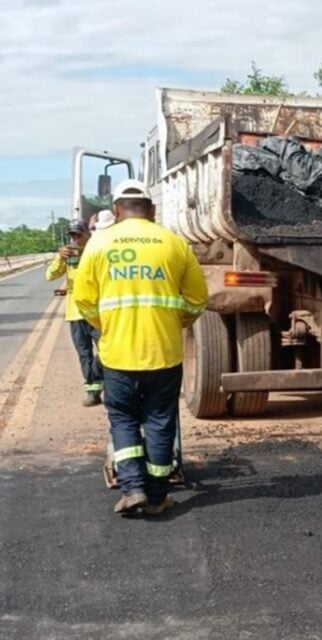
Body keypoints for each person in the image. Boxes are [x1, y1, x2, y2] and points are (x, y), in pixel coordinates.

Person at [73, 180, 209, 516]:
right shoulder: (175, 244)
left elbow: (84, 300)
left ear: (117, 210)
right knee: (160, 420)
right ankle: (159, 495)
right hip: (163, 352)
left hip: (118, 354)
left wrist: (107, 328)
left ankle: (133, 489)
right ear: (152, 209)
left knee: (123, 419)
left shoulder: (99, 244)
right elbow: (197, 300)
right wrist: (177, 323)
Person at [45, 218, 104, 406]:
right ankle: (93, 390)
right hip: (76, 312)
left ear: (87, 233)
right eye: (73, 235)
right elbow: (51, 275)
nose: (76, 239)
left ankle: (104, 381)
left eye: (79, 234)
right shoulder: (69, 256)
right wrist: (59, 258)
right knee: (84, 353)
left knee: (106, 350)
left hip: (97, 312)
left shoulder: (97, 250)